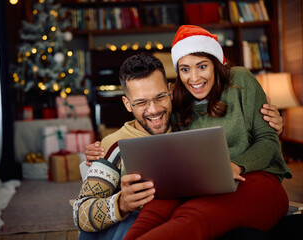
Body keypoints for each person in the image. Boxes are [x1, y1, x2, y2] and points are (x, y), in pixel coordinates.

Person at [74, 52, 285, 239]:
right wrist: (120, 204)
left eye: (159, 97)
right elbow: (79, 213)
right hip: (143, 222)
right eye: (141, 103)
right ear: (127, 104)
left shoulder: (184, 122)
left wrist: (272, 124)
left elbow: (233, 123)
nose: (154, 110)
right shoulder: (113, 145)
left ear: (170, 91)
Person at [121, 25, 292, 240]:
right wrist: (102, 148)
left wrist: (234, 166)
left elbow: (268, 142)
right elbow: (146, 122)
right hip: (204, 184)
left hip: (258, 180)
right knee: (155, 209)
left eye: (202, 66)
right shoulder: (178, 101)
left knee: (194, 215)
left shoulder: (240, 80)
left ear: (215, 64)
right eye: (184, 69)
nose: (194, 78)